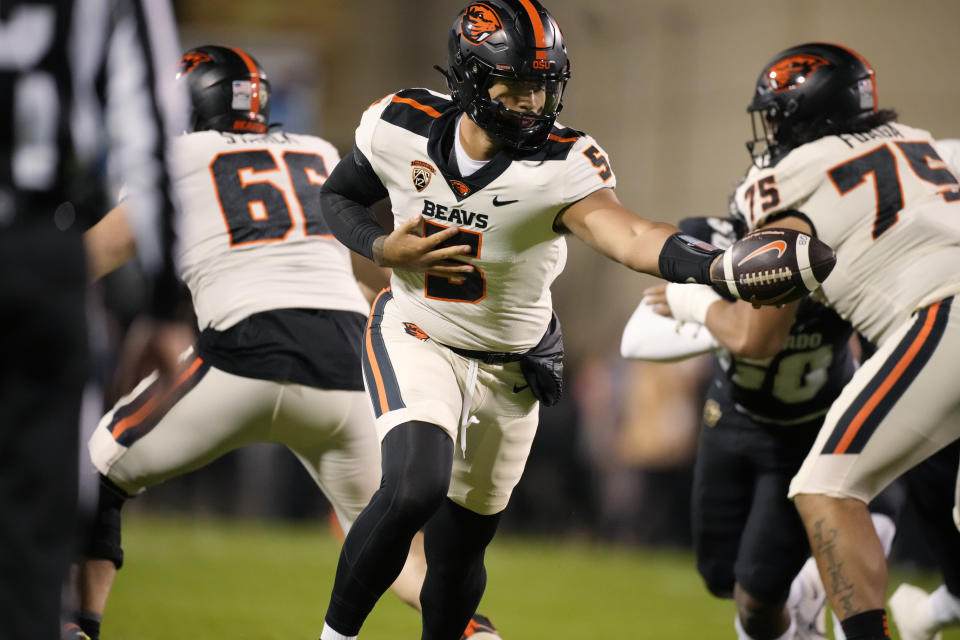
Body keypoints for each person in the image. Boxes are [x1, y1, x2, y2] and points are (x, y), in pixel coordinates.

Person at [313, 2, 807, 639]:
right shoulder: (399, 124)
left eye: (542, 88)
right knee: (414, 484)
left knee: (461, 549)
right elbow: (338, 196)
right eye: (515, 86)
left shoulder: (562, 162)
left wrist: (719, 268)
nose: (531, 104)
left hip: (511, 367)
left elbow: (629, 235)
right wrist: (382, 249)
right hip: (418, 331)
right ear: (470, 76)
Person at [73, 45, 500, 640]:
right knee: (388, 546)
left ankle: (78, 626)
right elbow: (346, 264)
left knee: (93, 475)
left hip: (243, 352)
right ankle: (476, 634)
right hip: (347, 360)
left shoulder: (177, 154)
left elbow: (95, 255)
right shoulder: (315, 152)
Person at [696, 42, 960, 640]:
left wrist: (692, 300)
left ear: (799, 113)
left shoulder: (781, 179)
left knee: (825, 487)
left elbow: (755, 336)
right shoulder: (918, 141)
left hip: (944, 314)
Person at [0, 1, 189, 639]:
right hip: (34, 251)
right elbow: (154, 127)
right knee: (36, 520)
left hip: (38, 250)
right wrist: (164, 306)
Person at [624, 215, 897, 640]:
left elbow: (886, 347)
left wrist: (714, 316)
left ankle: (812, 583)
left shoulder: (846, 261)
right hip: (730, 421)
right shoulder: (714, 240)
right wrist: (712, 316)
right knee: (720, 578)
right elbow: (638, 336)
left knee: (757, 595)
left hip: (806, 434)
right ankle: (805, 591)